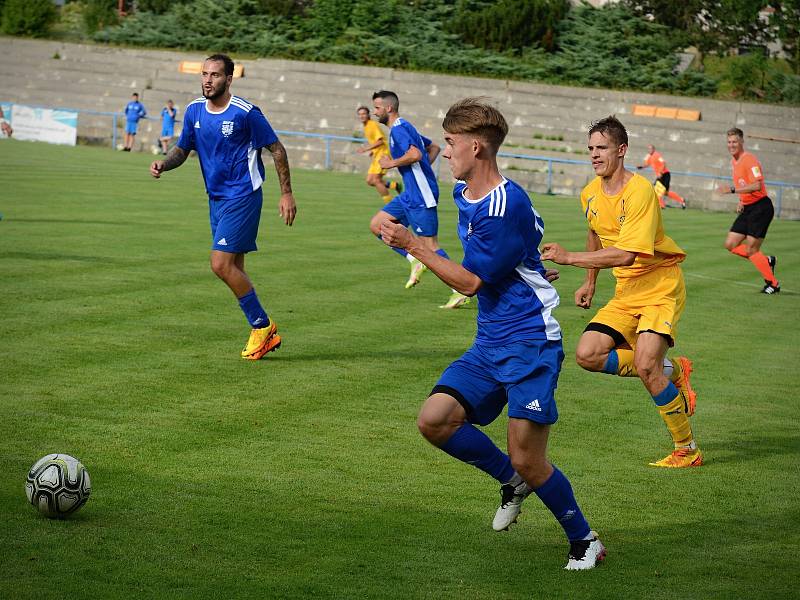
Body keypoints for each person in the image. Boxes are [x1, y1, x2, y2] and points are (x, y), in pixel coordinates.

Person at [380, 98, 606, 570]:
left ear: (476, 146)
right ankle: (511, 481)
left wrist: (414, 245)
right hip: (491, 340)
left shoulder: (503, 204)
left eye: (450, 143)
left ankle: (584, 540)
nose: (444, 152)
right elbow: (532, 233)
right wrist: (533, 264)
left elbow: (470, 282)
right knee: (435, 420)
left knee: (530, 458)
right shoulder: (469, 194)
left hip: (530, 343)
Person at [540, 116, 702, 469]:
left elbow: (628, 252)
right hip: (626, 289)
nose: (594, 155)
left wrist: (569, 258)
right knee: (588, 354)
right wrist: (590, 281)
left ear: (622, 150)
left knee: (646, 366)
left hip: (659, 285)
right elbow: (595, 233)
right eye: (591, 149)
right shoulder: (590, 193)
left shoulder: (640, 190)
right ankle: (675, 371)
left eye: (602, 148)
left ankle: (686, 450)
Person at [149, 54, 297, 359]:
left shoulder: (245, 113)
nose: (207, 80)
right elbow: (183, 148)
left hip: (243, 196)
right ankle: (262, 333)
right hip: (215, 198)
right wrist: (164, 164)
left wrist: (286, 194)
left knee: (220, 264)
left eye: (215, 75)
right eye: (204, 74)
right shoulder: (193, 110)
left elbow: (277, 149)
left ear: (229, 79)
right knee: (234, 268)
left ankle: (262, 325)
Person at [369, 90, 468, 309]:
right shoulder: (403, 127)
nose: (374, 112)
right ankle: (414, 259)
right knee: (378, 225)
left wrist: (390, 164)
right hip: (409, 194)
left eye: (377, 108)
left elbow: (415, 154)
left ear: (388, 108)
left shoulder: (400, 129)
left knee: (431, 247)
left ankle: (460, 289)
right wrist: (422, 172)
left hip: (420, 195)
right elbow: (432, 147)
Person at [715, 128, 779, 294]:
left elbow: (757, 185)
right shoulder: (734, 162)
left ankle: (773, 283)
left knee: (751, 250)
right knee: (730, 244)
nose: (731, 145)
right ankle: (765, 261)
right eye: (729, 142)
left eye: (735, 141)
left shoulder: (749, 159)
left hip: (761, 207)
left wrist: (731, 190)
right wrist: (741, 200)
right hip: (748, 207)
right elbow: (744, 184)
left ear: (742, 142)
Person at [356, 106, 401, 203]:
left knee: (376, 180)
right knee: (369, 180)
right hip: (377, 154)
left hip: (383, 155)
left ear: (368, 114)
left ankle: (390, 203)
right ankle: (394, 185)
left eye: (363, 114)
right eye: (359, 114)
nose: (361, 116)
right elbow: (377, 141)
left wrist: (365, 149)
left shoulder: (372, 125)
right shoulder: (366, 126)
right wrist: (372, 151)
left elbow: (380, 141)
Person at [636, 144, 686, 209]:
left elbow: (663, 163)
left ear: (653, 149)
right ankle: (681, 200)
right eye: (648, 149)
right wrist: (641, 167)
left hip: (665, 175)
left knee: (657, 190)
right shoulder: (649, 157)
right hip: (660, 176)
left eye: (650, 149)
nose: (649, 150)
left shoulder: (657, 155)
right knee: (665, 192)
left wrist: (660, 172)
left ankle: (662, 206)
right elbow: (647, 164)